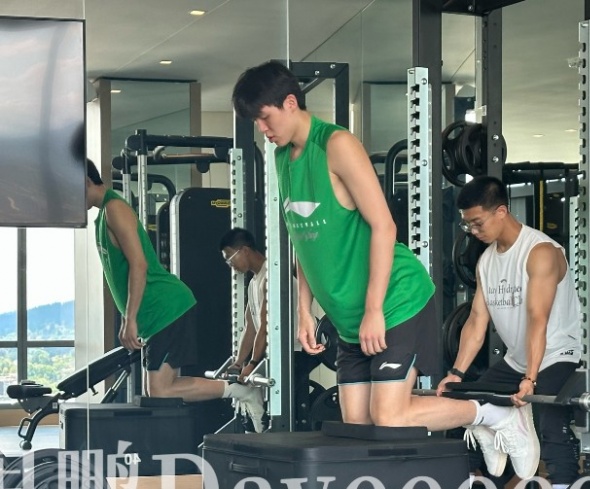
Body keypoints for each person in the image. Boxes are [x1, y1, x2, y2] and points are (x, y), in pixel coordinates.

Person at [231, 61, 539, 479]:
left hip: (394, 301)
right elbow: (303, 240)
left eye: (264, 117)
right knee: (358, 426)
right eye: (256, 122)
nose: (262, 129)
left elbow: (384, 225)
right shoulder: (282, 158)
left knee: (390, 417)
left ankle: (492, 414)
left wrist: (374, 308)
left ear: (289, 103)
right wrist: (304, 310)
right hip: (349, 321)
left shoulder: (336, 145)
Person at [85, 160, 260, 410]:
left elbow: (139, 265)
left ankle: (241, 391)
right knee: (156, 391)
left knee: (160, 390)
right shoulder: (103, 214)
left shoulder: (114, 208)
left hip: (165, 309)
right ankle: (238, 391)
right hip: (155, 316)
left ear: (85, 182)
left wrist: (129, 319)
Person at [449, 175, 583, 488]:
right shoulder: (486, 261)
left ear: (501, 211)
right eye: (468, 225)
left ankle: (564, 484)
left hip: (558, 354)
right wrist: (456, 374)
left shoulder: (540, 252)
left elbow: (538, 319)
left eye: (478, 223)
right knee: (463, 406)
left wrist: (530, 379)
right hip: (518, 358)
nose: (473, 231)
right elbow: (476, 320)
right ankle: (478, 480)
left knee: (549, 420)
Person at [218, 227, 268, 432]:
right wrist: (239, 363)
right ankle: (257, 430)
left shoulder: (271, 276)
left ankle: (264, 430)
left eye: (230, 258)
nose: (230, 265)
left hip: (295, 352)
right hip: (270, 353)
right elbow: (251, 327)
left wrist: (253, 363)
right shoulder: (253, 283)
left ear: (245, 250)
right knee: (245, 386)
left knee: (252, 388)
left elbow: (266, 327)